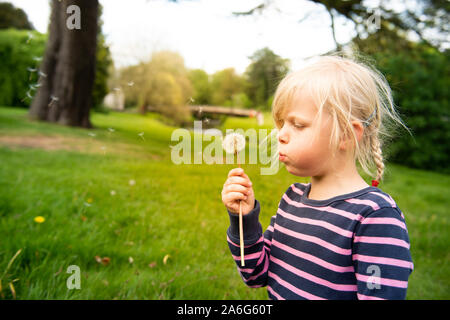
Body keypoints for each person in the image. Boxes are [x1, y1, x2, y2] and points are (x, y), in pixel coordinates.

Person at [221, 55, 414, 300]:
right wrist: (244, 220)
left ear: (345, 134)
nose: (280, 135)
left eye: (297, 125)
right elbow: (255, 274)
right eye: (281, 124)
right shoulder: (292, 201)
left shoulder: (374, 217)